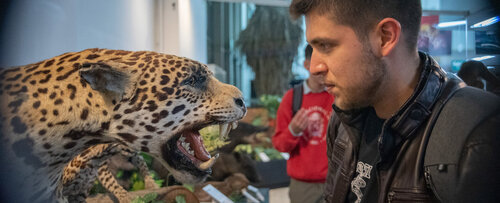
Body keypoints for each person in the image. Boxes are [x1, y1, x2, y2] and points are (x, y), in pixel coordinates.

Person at [289, 0, 500, 202]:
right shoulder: (344, 120)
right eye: (313, 47)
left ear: (385, 37)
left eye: (325, 45)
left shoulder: (476, 136)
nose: (314, 66)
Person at [272, 44, 335, 203]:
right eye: (318, 62)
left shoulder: (338, 96)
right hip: (303, 186)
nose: (323, 68)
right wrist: (293, 131)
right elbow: (280, 144)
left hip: (335, 181)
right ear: (307, 64)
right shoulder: (292, 98)